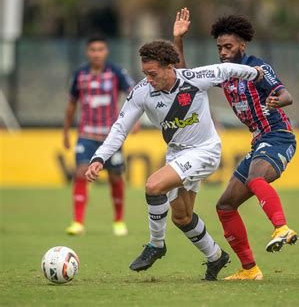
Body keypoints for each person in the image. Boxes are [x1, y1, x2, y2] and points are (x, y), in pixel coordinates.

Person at [85, 39, 268, 280]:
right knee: (182, 217)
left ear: (169, 67)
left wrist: (256, 73)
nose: (149, 79)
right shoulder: (142, 92)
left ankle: (156, 244)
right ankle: (216, 257)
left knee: (153, 185)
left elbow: (225, 70)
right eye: (145, 74)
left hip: (205, 151)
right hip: (177, 154)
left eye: (153, 74)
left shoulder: (193, 78)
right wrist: (100, 157)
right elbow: (120, 128)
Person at [174, 9, 298, 280]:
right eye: (219, 47)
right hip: (259, 142)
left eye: (228, 46)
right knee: (225, 205)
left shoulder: (257, 68)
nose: (223, 52)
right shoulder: (223, 73)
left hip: (278, 136)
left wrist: (278, 100)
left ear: (242, 45)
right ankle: (250, 269)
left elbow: (286, 94)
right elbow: (185, 78)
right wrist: (179, 40)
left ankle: (281, 228)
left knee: (256, 178)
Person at [63, 36, 135, 236]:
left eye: (100, 49)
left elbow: (134, 94)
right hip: (86, 134)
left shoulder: (116, 73)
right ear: (88, 52)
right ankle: (77, 222)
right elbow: (71, 104)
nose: (96, 53)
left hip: (111, 136)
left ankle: (119, 220)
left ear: (106, 51)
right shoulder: (80, 74)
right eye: (93, 49)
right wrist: (66, 131)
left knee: (115, 176)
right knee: (80, 172)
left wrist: (135, 120)